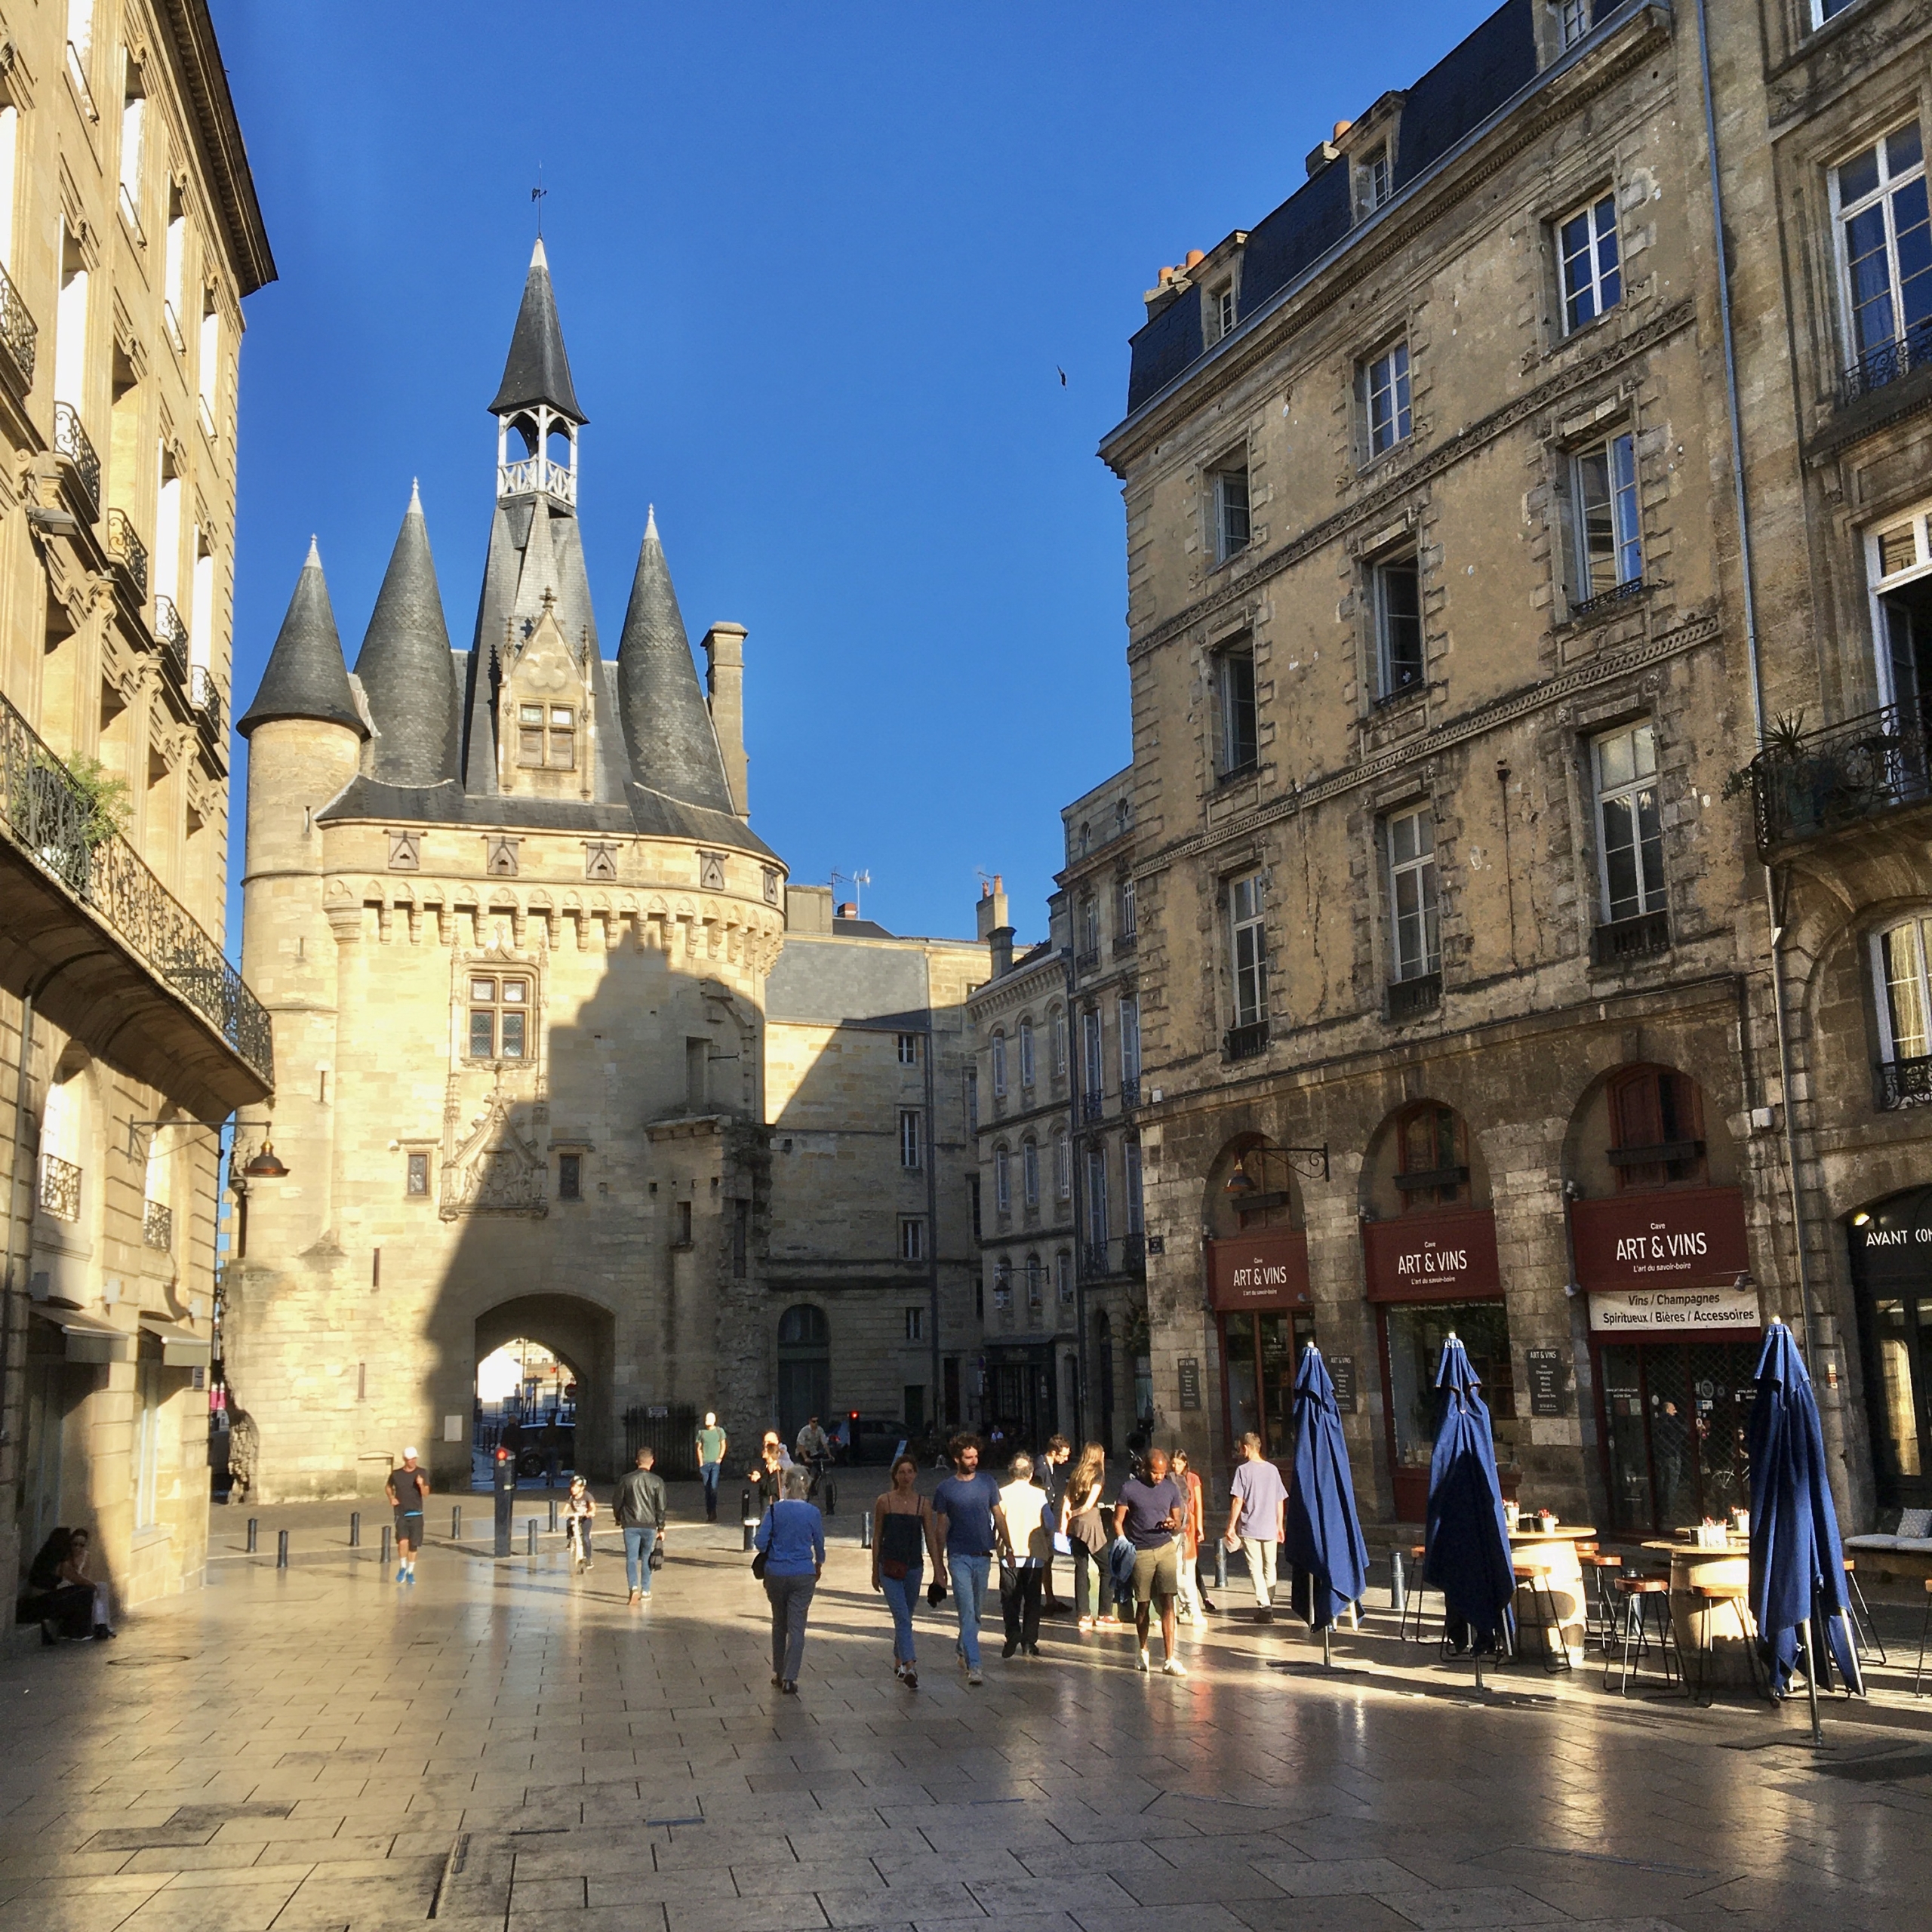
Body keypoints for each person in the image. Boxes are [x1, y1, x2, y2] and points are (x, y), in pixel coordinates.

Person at [931, 1433, 1012, 1685]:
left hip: (983, 1556)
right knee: (966, 1612)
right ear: (957, 1459)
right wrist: (938, 1567)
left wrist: (1008, 1546)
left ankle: (960, 1648)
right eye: (969, 1457)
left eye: (976, 1456)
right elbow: (940, 1528)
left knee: (976, 1613)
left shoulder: (988, 1483)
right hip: (958, 1557)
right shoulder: (945, 1489)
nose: (974, 1460)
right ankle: (974, 1665)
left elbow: (998, 1515)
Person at [1114, 1445, 1187, 1676]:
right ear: (1145, 1468)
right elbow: (1118, 1521)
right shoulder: (1130, 1488)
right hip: (1141, 1552)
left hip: (1165, 1547)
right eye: (1155, 1472)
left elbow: (1177, 1520)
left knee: (1168, 1601)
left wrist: (1171, 1524)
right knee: (1143, 1603)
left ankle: (1169, 1658)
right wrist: (1124, 1542)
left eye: (1163, 1473)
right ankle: (1143, 1649)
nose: (1159, 1477)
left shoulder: (1171, 1488)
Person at [755, 1467, 825, 1694]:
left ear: (785, 1485)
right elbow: (820, 1545)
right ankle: (790, 1677)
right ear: (806, 1486)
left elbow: (760, 1541)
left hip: (776, 1572)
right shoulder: (813, 1513)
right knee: (797, 1627)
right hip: (803, 1572)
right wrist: (819, 1563)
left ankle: (778, 1670)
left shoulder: (774, 1510)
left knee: (779, 1623)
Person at [871, 1453, 934, 1687]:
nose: (906, 1476)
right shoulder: (884, 1502)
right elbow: (877, 1536)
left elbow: (930, 1537)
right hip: (889, 1566)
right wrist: (874, 1569)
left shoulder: (923, 1504)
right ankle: (910, 1666)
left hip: (914, 1567)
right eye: (901, 1472)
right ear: (895, 1476)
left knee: (906, 1616)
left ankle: (898, 1659)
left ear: (915, 1474)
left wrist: (939, 1569)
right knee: (902, 1616)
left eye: (909, 1472)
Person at [1223, 1431, 1288, 1623]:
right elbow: (1280, 1500)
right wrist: (1279, 1524)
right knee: (1270, 1566)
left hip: (1251, 1527)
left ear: (1246, 1448)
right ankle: (1269, 1601)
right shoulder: (1272, 1470)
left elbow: (1238, 1501)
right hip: (1269, 1526)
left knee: (1256, 1568)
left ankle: (1264, 1605)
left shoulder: (1243, 1471)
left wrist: (1230, 1527)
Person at [998, 1453, 1052, 1658]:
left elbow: (993, 1523)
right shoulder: (1039, 1495)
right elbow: (1049, 1523)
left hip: (1009, 1553)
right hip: (1034, 1554)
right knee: (1032, 1599)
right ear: (1030, 1475)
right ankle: (1029, 1642)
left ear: (1012, 1474)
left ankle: (1012, 1632)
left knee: (1010, 1597)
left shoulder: (1001, 1493)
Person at [22, 1528, 111, 1642]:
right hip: (43, 1603)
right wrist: (94, 1587)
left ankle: (99, 1625)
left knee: (89, 1590)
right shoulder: (61, 1562)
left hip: (39, 1601)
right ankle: (78, 1631)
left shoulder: (45, 1557)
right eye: (72, 1544)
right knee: (86, 1592)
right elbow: (78, 1580)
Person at [1061, 1441, 1113, 1632]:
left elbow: (1066, 1499)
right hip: (1090, 1525)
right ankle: (1105, 1613)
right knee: (1107, 1568)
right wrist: (1075, 1514)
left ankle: (1083, 1614)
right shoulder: (1098, 1475)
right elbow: (1089, 1505)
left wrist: (1065, 1523)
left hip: (1075, 1528)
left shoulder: (1076, 1473)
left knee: (1080, 1567)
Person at [612, 1447, 668, 1605]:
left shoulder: (626, 1479)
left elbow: (617, 1502)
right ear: (652, 1462)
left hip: (630, 1523)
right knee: (646, 1557)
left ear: (637, 1461)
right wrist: (661, 1527)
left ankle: (633, 1587)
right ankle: (646, 1590)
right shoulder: (657, 1481)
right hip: (649, 1525)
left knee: (631, 1558)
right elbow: (661, 1507)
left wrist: (619, 1518)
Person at [1171, 1449, 1214, 1622]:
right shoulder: (1169, 1479)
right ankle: (1182, 1604)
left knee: (1188, 1565)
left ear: (1185, 1463)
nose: (1176, 1467)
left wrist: (1199, 1528)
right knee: (1178, 1566)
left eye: (1179, 1463)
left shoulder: (1193, 1478)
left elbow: (1198, 1504)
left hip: (1189, 1524)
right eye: (1173, 1463)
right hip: (1176, 1524)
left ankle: (1191, 1606)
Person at [1038, 1435, 1072, 1614]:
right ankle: (1044, 1598)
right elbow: (1036, 1495)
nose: (1065, 1459)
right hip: (1040, 1520)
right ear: (1054, 1452)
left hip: (1047, 1516)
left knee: (1048, 1559)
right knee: (1043, 1559)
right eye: (1064, 1455)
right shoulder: (1041, 1467)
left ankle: (1051, 1598)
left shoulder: (1050, 1467)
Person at [386, 1447, 429, 1583]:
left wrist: (421, 1485)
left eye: (415, 1458)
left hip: (417, 1513)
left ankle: (410, 1572)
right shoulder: (396, 1474)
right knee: (403, 1541)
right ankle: (403, 1567)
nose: (413, 1461)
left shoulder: (422, 1473)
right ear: (405, 1460)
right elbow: (388, 1487)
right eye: (411, 1459)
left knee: (413, 1545)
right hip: (401, 1513)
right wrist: (391, 1497)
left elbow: (426, 1494)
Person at [695, 1411, 728, 1523]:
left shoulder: (719, 1431)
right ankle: (709, 1512)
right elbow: (699, 1448)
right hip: (705, 1463)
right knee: (707, 1489)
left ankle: (713, 1511)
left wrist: (719, 1458)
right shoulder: (701, 1433)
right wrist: (701, 1463)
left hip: (715, 1463)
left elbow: (723, 1445)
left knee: (713, 1487)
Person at [562, 1474, 597, 1573]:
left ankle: (589, 1559)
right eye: (572, 1487)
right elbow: (567, 1505)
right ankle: (570, 1539)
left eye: (576, 1487)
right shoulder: (571, 1497)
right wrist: (564, 1512)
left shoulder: (587, 1495)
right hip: (576, 1515)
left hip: (586, 1517)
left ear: (582, 1488)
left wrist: (591, 1512)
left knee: (585, 1538)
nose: (573, 1489)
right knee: (569, 1522)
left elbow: (592, 1506)